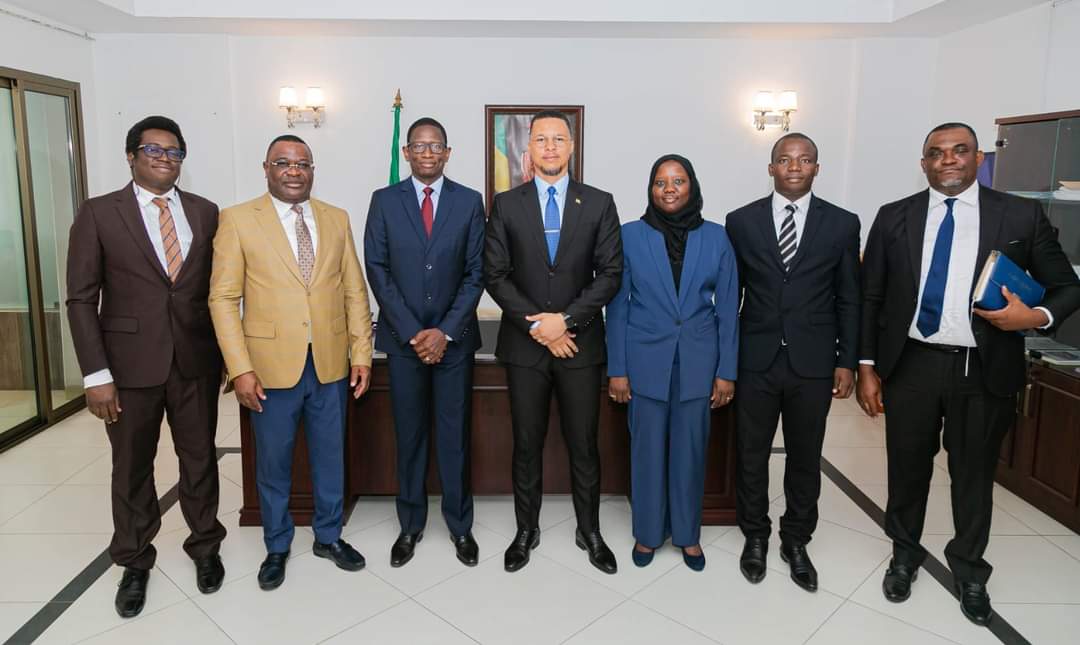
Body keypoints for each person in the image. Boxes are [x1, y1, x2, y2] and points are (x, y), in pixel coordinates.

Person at [857, 122, 1080, 625]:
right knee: (906, 471)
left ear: (978, 158)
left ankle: (970, 571)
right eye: (936, 153)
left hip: (982, 367)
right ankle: (904, 556)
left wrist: (1034, 317)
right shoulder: (894, 216)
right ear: (924, 163)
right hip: (911, 363)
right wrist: (867, 366)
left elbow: (1067, 286)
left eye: (960, 150)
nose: (948, 160)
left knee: (973, 476)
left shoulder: (1020, 214)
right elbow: (872, 297)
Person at [66, 116, 227, 618]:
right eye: (153, 150)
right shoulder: (99, 213)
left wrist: (227, 356)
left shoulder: (205, 212)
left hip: (196, 361)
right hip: (128, 367)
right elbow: (80, 299)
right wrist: (96, 375)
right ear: (131, 156)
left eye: (174, 152)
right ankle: (134, 560)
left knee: (200, 459)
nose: (164, 159)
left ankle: (205, 545)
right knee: (132, 466)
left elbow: (215, 290)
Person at [209, 134, 374, 590]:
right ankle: (277, 544)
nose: (294, 170)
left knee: (330, 457)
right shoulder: (238, 220)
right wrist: (240, 368)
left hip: (330, 364)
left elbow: (354, 291)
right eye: (283, 163)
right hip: (268, 367)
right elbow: (223, 298)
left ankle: (329, 536)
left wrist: (361, 353)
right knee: (274, 463)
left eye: (303, 163)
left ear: (313, 170)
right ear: (266, 169)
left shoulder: (336, 218)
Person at [485, 110, 623, 574]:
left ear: (571, 146)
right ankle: (526, 530)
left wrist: (563, 321)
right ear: (529, 149)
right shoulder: (507, 204)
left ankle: (590, 531)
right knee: (526, 445)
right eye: (541, 139)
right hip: (525, 349)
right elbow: (495, 275)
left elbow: (610, 274)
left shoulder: (599, 203)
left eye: (558, 139)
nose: (549, 146)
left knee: (584, 445)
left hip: (579, 347)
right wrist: (538, 328)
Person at [725, 133, 861, 592]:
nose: (795, 166)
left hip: (814, 361)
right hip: (755, 358)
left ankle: (796, 539)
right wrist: (725, 359)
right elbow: (731, 294)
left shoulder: (842, 224)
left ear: (817, 168)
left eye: (804, 160)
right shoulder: (740, 221)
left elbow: (849, 297)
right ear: (771, 168)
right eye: (785, 159)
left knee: (805, 456)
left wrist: (847, 360)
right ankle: (755, 535)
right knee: (751, 454)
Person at [606, 154, 738, 571]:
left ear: (691, 186)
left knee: (690, 453)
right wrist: (617, 369)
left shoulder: (716, 237)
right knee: (646, 453)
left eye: (678, 181)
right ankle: (647, 534)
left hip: (698, 363)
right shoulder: (630, 235)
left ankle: (687, 534)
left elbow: (728, 308)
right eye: (660, 182)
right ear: (650, 188)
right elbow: (618, 307)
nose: (669, 189)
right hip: (644, 362)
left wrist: (727, 371)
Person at [364, 117, 486, 568]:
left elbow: (476, 271)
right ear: (407, 153)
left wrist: (444, 331)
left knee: (455, 438)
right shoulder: (384, 200)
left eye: (436, 146)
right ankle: (410, 525)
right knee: (410, 436)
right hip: (404, 343)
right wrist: (415, 332)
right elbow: (377, 268)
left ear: (448, 153)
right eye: (419, 145)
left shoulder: (469, 201)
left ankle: (460, 526)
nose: (428, 153)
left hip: (455, 343)